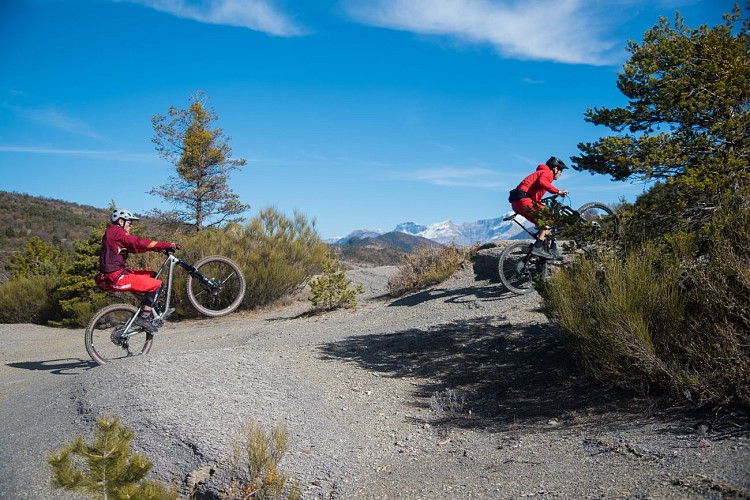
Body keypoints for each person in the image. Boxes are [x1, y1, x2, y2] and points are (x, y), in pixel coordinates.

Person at [97, 209, 179, 333]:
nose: (131, 225)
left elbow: (135, 247)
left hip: (117, 274)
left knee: (153, 276)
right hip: (116, 278)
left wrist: (157, 249)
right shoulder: (117, 232)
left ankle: (153, 309)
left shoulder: (112, 233)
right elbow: (138, 242)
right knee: (156, 285)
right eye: (129, 222)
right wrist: (164, 245)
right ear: (120, 221)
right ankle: (144, 317)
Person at [509, 156, 569, 259]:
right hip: (524, 200)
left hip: (517, 202)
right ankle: (537, 247)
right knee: (550, 218)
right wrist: (558, 191)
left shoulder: (540, 173)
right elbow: (542, 182)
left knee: (543, 224)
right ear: (555, 168)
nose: (561, 173)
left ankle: (542, 252)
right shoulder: (547, 173)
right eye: (560, 170)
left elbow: (535, 193)